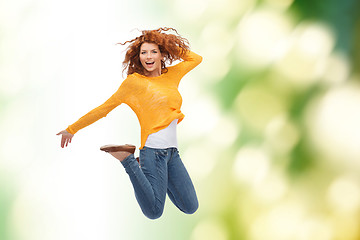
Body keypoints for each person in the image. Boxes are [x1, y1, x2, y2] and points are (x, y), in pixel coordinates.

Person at [56, 27, 202, 219]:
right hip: (152, 152)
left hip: (173, 154)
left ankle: (150, 174)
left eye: (153, 51)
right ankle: (127, 159)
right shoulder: (134, 83)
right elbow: (104, 108)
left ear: (161, 54)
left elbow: (195, 59)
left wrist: (166, 42)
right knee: (154, 212)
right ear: (138, 57)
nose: (148, 56)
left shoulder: (172, 75)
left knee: (190, 206)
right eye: (143, 52)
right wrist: (71, 129)